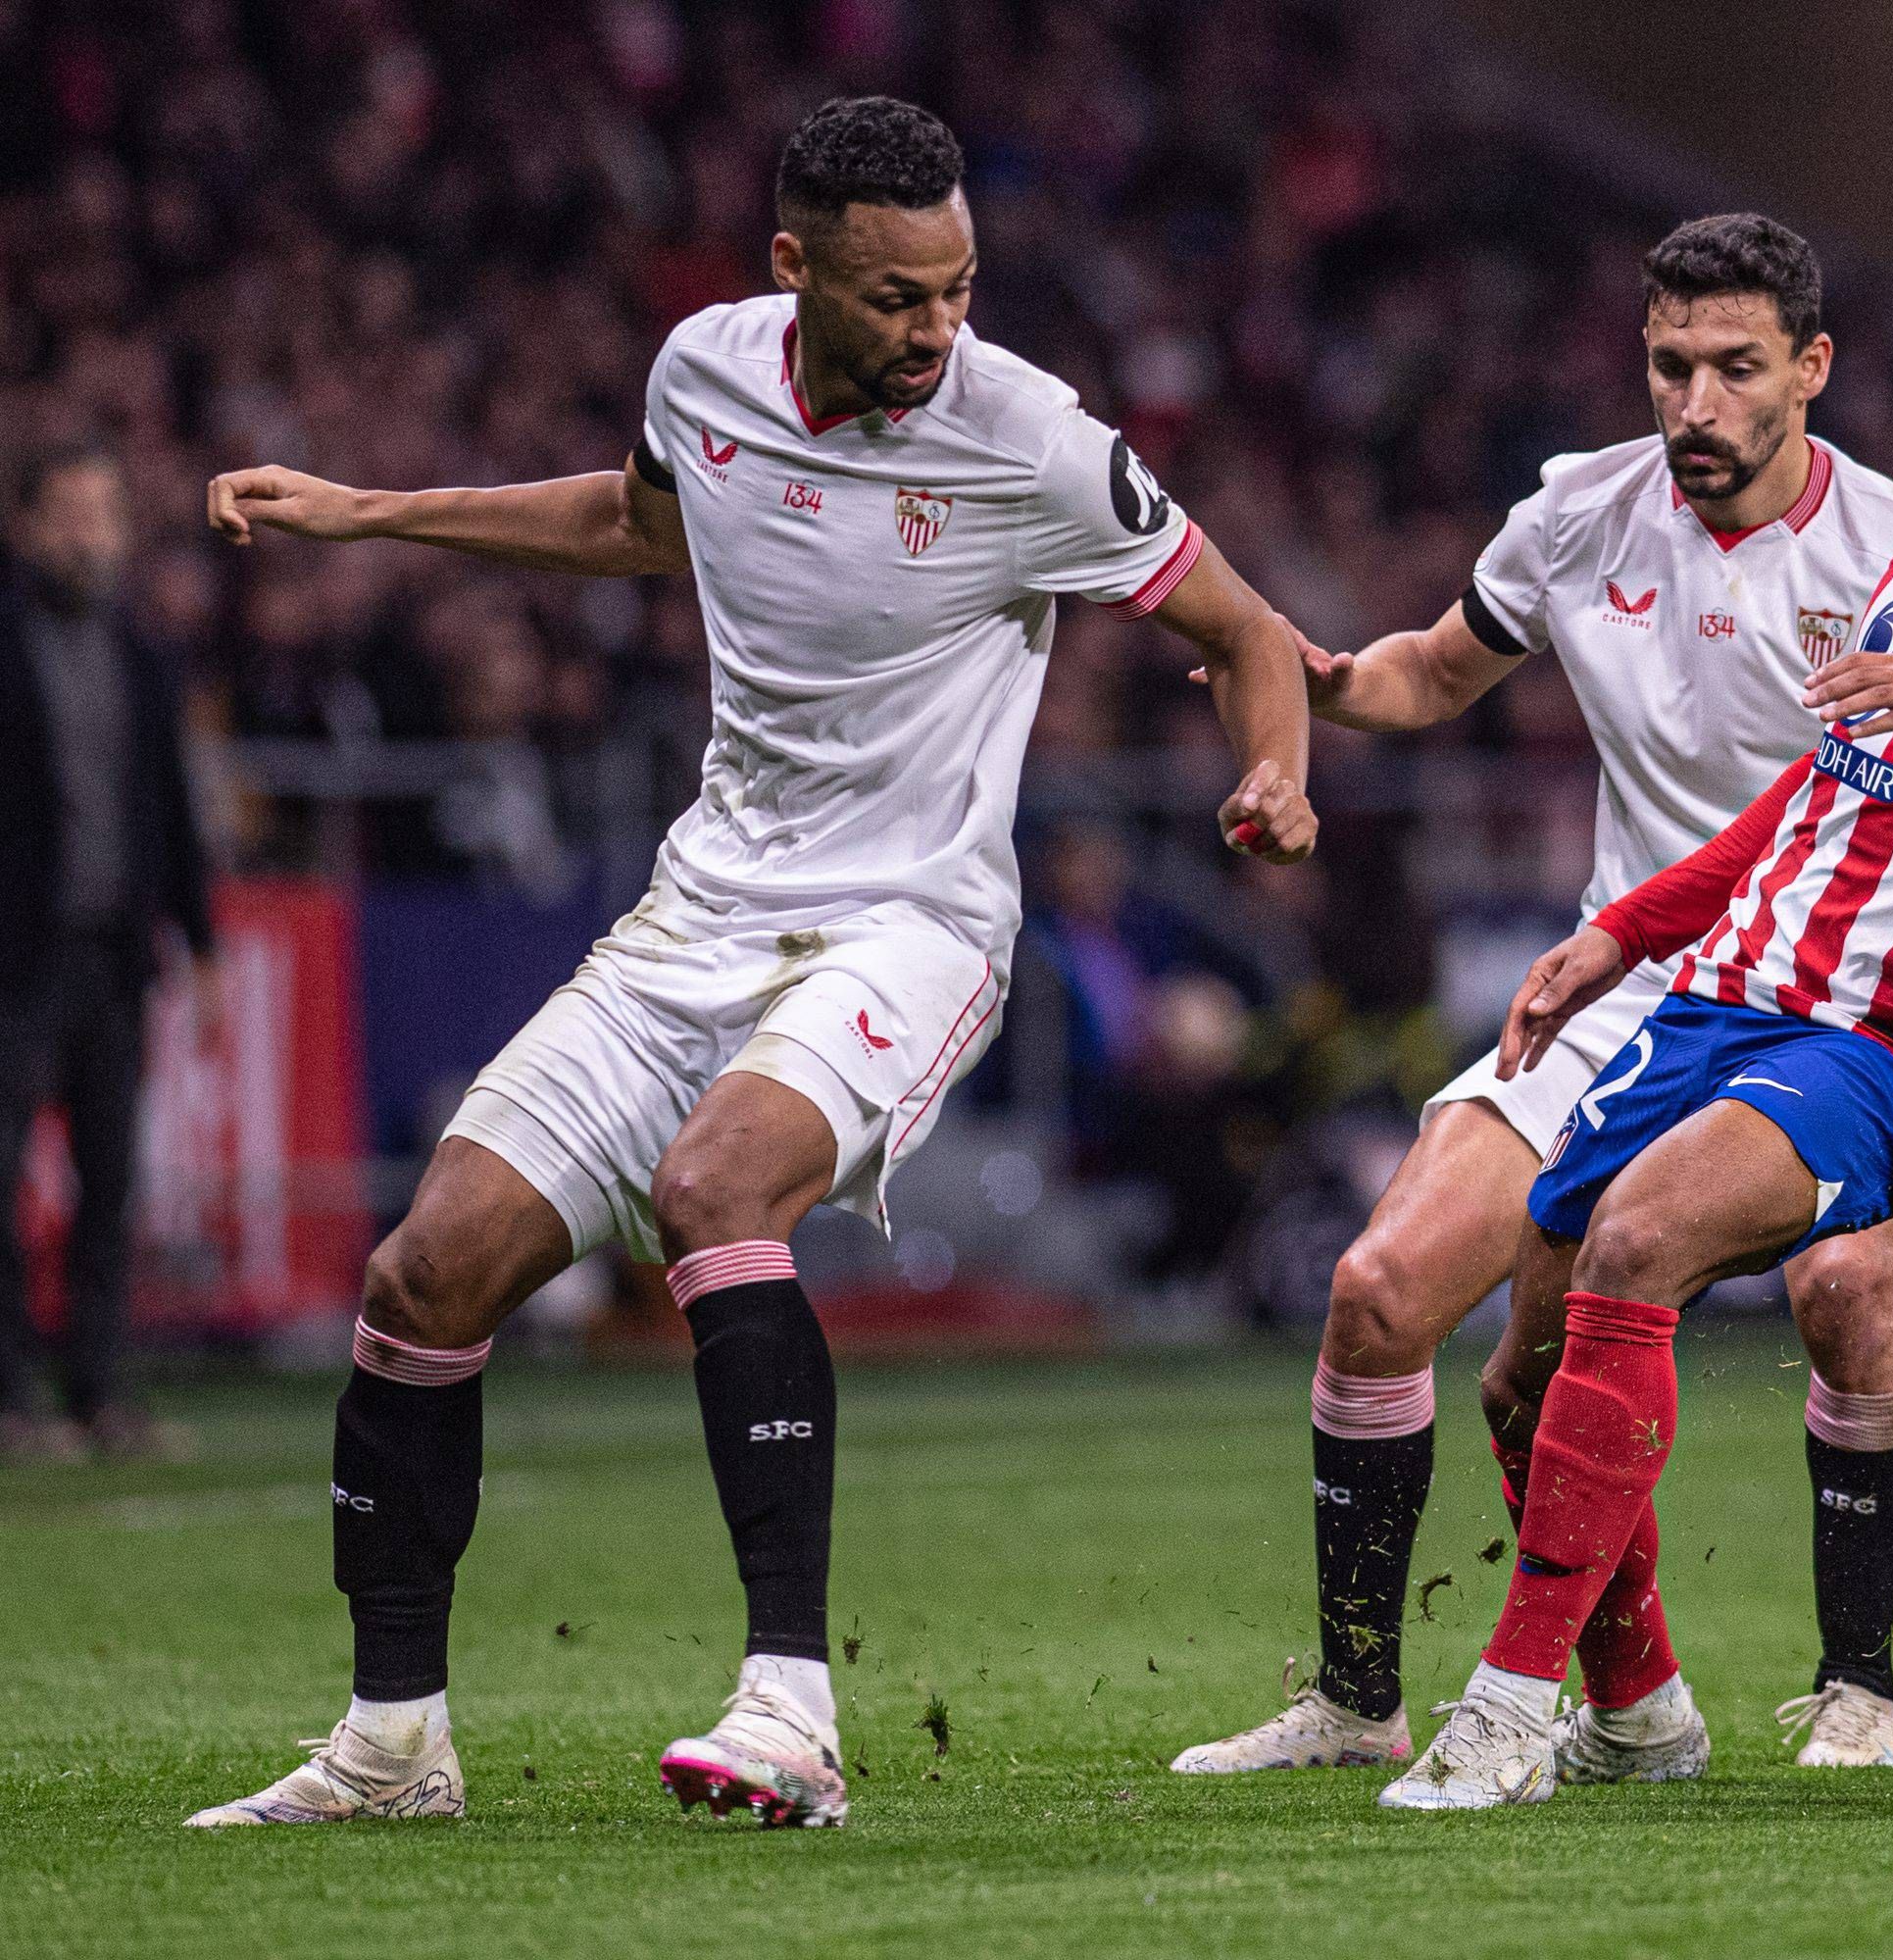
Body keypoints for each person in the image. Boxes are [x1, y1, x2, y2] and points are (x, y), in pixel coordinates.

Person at [184, 96, 1319, 1831]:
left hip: (913, 920)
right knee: (423, 1275)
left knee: (720, 1184)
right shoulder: (703, 368)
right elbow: (641, 524)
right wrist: (366, 512)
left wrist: (1274, 766)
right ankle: (391, 1743)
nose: (939, 330)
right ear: (794, 269)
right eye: (895, 298)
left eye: (957, 290)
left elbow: (1246, 628)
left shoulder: (1034, 442)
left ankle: (790, 1704)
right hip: (699, 910)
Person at [1173, 216, 1893, 1785]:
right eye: (1669, 364)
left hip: (1854, 1007)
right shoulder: (1577, 513)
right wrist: (1296, 670)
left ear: (1811, 372)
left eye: (1734, 368)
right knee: (1378, 1292)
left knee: (1844, 1295)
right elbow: (1430, 671)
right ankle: (1407, 1696)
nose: (1694, 402)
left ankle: (1856, 1681)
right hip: (1629, 986)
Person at [0, 449, 218, 1463]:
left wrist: (201, 939)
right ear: (28, 524)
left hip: (112, 957)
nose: (90, 532)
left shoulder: (138, 648)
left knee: (109, 1184)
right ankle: (11, 1398)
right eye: (70, 512)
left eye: (105, 512)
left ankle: (96, 1391)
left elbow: (171, 806)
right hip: (16, 956)